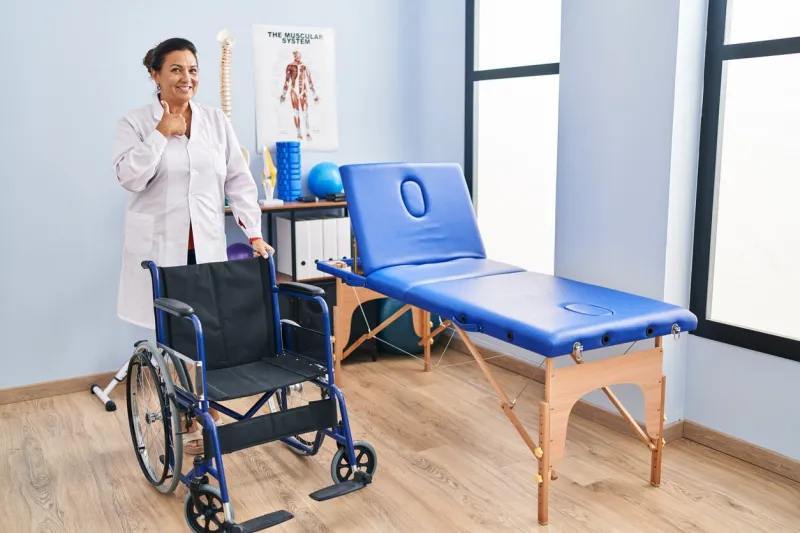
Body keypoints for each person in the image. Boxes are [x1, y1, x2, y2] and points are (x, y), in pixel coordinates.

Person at [112, 37, 274, 454]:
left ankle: (203, 412)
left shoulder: (216, 121)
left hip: (204, 247)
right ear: (156, 75)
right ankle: (182, 414)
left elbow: (238, 180)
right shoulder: (136, 122)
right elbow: (128, 177)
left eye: (193, 70)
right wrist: (161, 134)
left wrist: (253, 232)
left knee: (204, 332)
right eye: (176, 70)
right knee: (171, 334)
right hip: (159, 250)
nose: (187, 78)